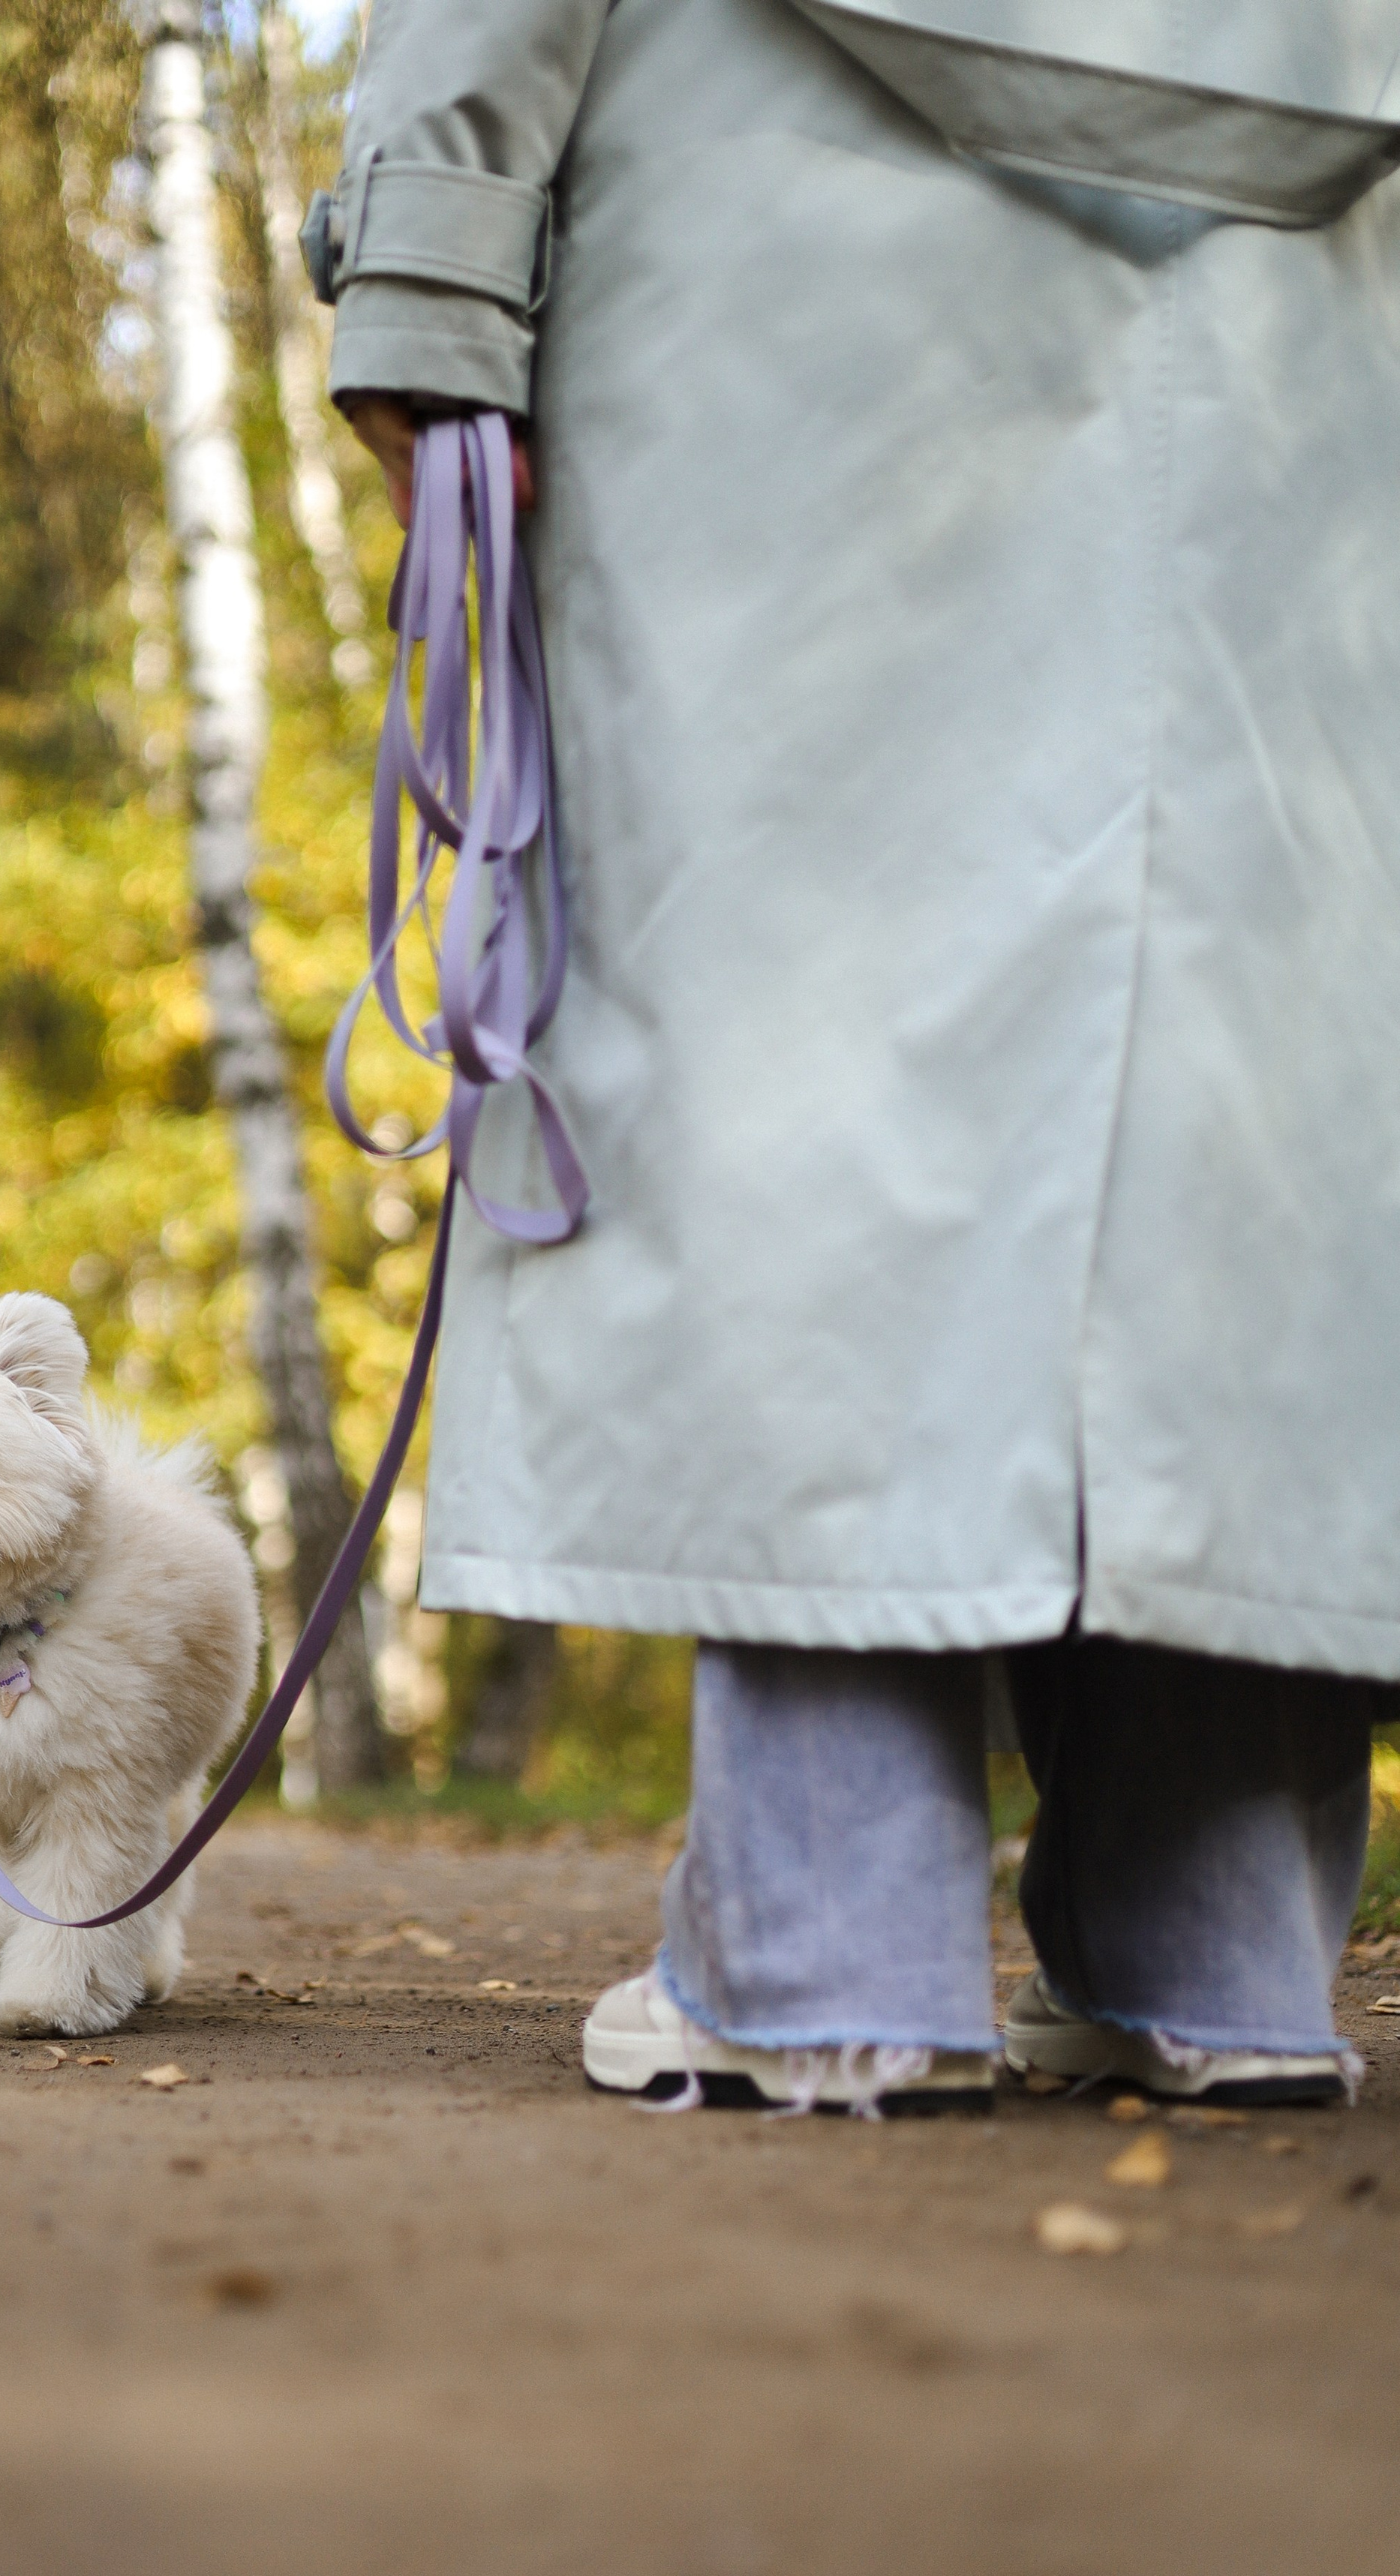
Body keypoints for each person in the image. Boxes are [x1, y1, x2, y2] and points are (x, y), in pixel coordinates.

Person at [320, 0, 1400, 2113]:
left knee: (812, 1063)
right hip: (1327, 241)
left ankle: (829, 1947)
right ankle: (1224, 1953)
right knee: (1244, 1109)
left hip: (780, 222)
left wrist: (434, 254)